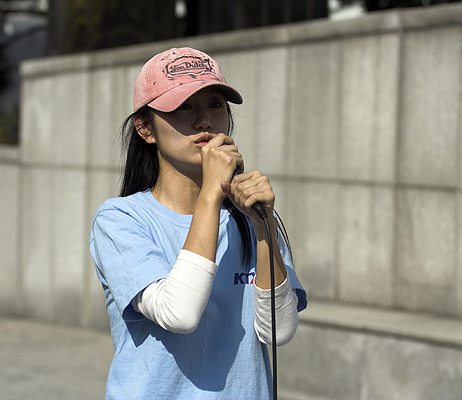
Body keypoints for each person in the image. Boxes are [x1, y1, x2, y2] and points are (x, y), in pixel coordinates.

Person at [89, 47, 307, 399]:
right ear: (145, 127)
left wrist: (262, 226)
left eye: (215, 105)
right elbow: (179, 314)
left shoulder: (250, 217)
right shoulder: (120, 220)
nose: (204, 120)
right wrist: (211, 194)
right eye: (183, 107)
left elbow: (277, 331)